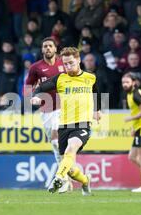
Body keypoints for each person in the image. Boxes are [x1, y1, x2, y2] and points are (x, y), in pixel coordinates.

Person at [30, 47, 101, 195]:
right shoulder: (60, 79)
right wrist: (36, 96)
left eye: (71, 63)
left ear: (79, 60)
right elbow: (41, 87)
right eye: (66, 64)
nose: (68, 67)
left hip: (82, 124)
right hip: (64, 125)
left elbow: (96, 93)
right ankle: (85, 180)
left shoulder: (90, 78)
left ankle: (58, 178)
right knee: (69, 167)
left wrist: (97, 110)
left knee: (71, 150)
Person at [25, 37, 73, 193]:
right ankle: (66, 176)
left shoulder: (63, 64)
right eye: (45, 46)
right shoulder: (36, 67)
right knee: (55, 145)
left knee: (56, 139)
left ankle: (63, 178)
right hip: (46, 110)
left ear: (55, 48)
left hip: (64, 107)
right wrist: (30, 98)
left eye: (50, 46)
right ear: (42, 49)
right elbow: (28, 86)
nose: (47, 48)